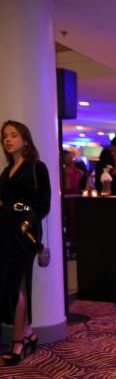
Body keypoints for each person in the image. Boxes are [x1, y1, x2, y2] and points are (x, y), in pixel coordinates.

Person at [0, 120, 51, 365]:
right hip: (5, 230)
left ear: (25, 139)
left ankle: (18, 340)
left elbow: (44, 204)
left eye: (13, 135)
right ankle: (28, 333)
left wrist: (27, 222)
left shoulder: (37, 167)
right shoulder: (6, 171)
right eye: (5, 136)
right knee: (8, 284)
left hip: (24, 232)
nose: (8, 140)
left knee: (17, 284)